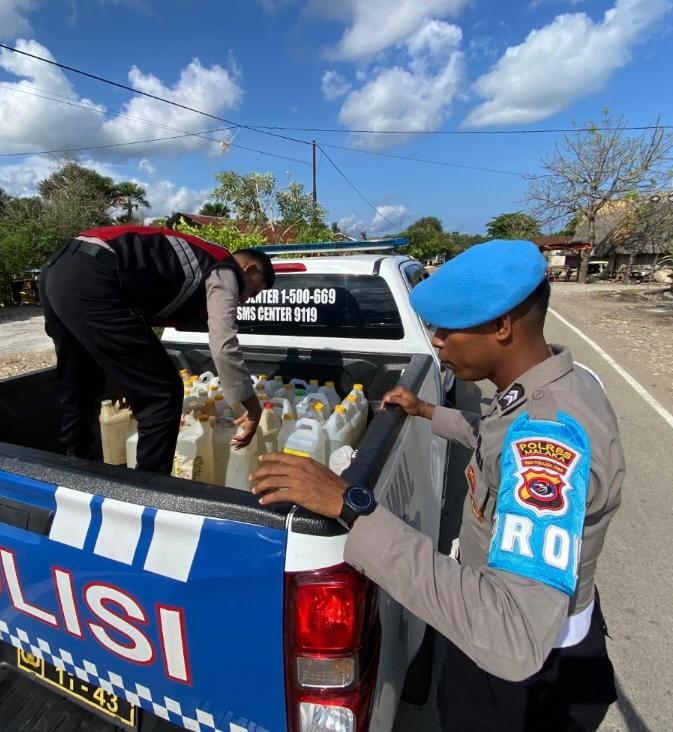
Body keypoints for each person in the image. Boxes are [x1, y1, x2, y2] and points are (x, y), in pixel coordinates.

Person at [251, 240, 623, 730]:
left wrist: (352, 506)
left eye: (449, 327)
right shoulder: (557, 382)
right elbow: (497, 438)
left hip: (527, 682)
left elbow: (512, 633)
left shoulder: (547, 439)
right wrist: (428, 411)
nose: (437, 340)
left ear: (502, 325)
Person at [40, 225, 274, 473]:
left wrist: (125, 378)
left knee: (79, 382)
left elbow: (125, 333)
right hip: (94, 274)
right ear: (250, 269)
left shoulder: (185, 263)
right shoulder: (225, 269)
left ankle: (76, 469)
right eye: (253, 291)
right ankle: (147, 488)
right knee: (162, 393)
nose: (244, 300)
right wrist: (252, 407)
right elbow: (223, 345)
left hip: (56, 271)